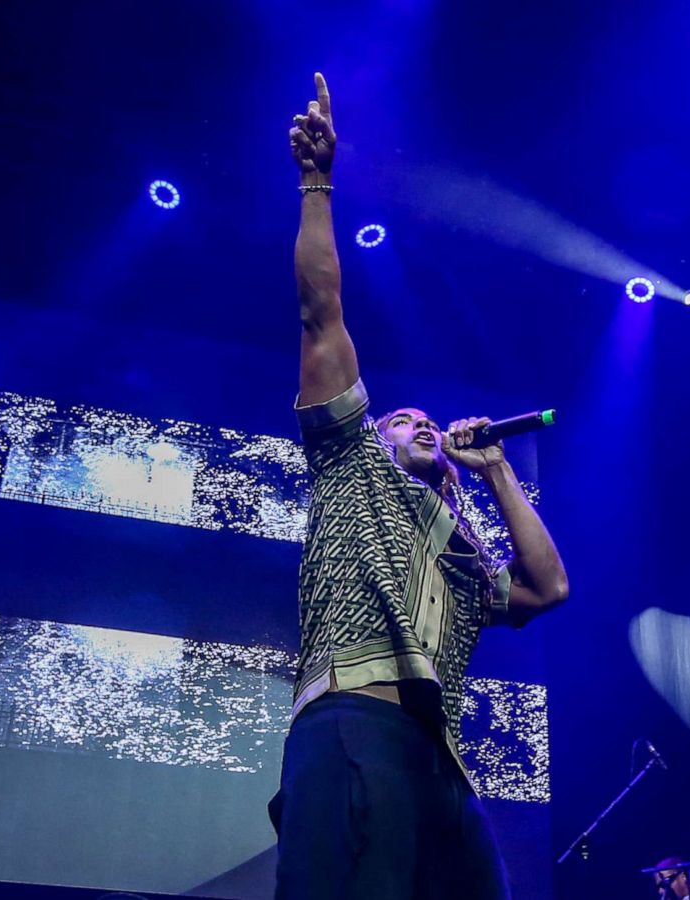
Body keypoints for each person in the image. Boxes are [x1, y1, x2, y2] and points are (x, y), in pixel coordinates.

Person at [266, 73, 571, 900]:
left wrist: (499, 470)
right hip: (353, 721)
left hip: (440, 756)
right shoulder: (351, 463)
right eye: (400, 418)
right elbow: (321, 312)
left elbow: (548, 588)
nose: (418, 422)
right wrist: (318, 184)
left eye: (426, 421)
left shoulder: (464, 557)